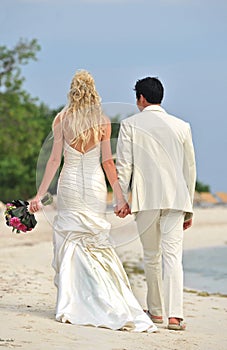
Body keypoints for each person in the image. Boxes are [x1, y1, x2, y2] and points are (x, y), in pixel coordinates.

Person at [29, 70, 157, 333]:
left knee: (70, 239)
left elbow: (54, 160)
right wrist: (120, 197)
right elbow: (107, 162)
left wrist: (40, 194)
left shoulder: (62, 119)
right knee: (95, 240)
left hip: (70, 184)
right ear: (94, 91)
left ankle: (72, 299)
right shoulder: (102, 120)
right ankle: (103, 295)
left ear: (72, 91)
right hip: (95, 184)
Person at [115, 77, 196, 330]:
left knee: (152, 256)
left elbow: (124, 164)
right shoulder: (182, 126)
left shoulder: (130, 125)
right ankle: (175, 316)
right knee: (173, 257)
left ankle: (157, 313)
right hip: (176, 199)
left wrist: (122, 199)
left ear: (141, 98)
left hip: (146, 199)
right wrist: (189, 206)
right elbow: (189, 169)